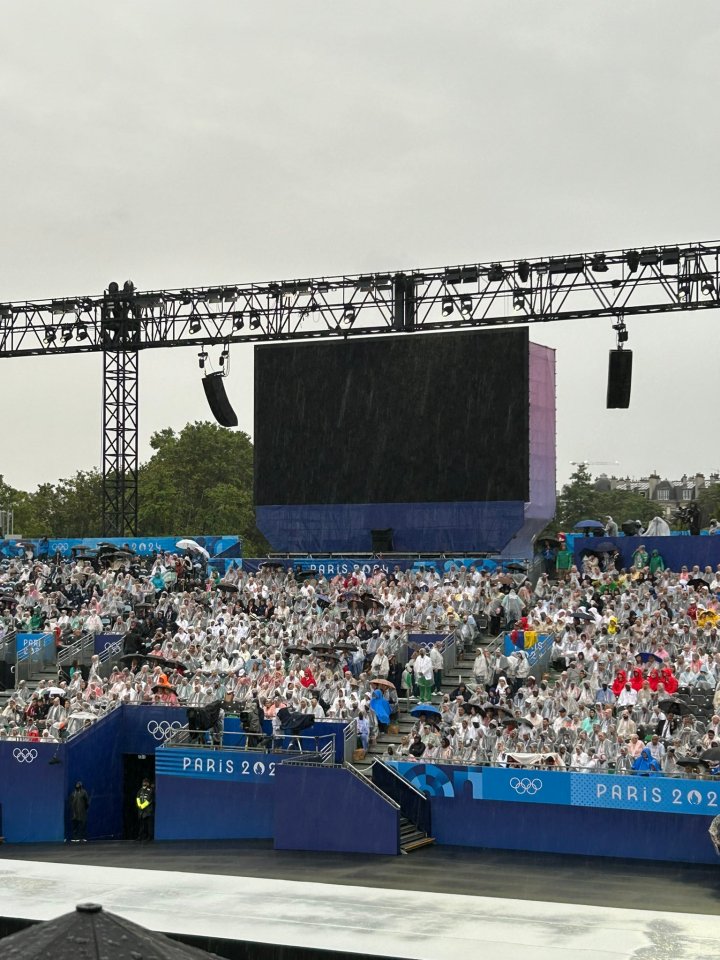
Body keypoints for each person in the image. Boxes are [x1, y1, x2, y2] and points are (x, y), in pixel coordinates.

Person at [136, 778, 154, 842]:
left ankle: (149, 837)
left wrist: (142, 806)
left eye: (146, 782)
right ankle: (140, 836)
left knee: (149, 825)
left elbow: (149, 800)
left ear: (148, 783)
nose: (144, 783)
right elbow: (137, 798)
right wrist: (139, 805)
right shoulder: (140, 790)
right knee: (142, 825)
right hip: (141, 811)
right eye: (143, 782)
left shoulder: (150, 790)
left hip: (148, 811)